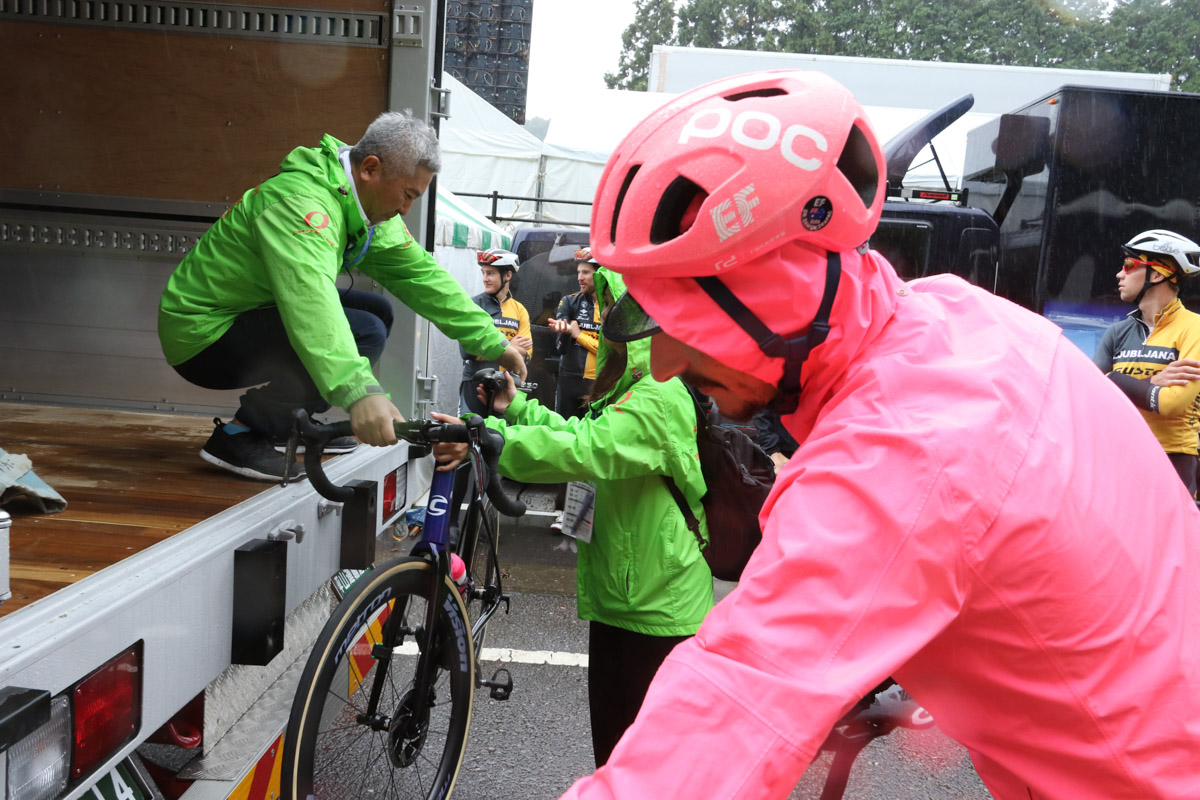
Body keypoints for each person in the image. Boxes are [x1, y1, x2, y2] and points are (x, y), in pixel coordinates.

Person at [562, 70, 1200, 798]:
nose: (667, 361)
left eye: (683, 322)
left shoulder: (901, 449)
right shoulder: (955, 321)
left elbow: (740, 698)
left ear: (777, 299)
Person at [432, 267, 713, 768]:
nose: (606, 326)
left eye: (618, 316)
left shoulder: (660, 396)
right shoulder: (631, 391)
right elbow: (573, 434)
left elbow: (584, 451)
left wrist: (490, 436)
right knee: (614, 756)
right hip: (627, 595)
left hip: (658, 608)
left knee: (646, 765)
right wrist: (514, 409)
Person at [157, 110, 527, 481]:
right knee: (365, 330)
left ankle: (291, 423)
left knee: (378, 312)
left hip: (246, 313)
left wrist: (492, 341)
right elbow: (311, 303)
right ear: (369, 168)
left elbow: (423, 279)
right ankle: (241, 433)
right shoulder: (302, 203)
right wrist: (360, 393)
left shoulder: (357, 202)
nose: (405, 210)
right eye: (407, 194)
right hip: (202, 336)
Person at [1092, 229, 1200, 495]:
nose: (1120, 274)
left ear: (1157, 274)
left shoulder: (1194, 328)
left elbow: (1171, 403)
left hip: (1173, 459)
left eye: (1129, 265)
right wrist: (1153, 382)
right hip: (1120, 457)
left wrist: (1115, 380)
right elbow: (1090, 398)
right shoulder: (1117, 333)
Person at [459, 248, 532, 416]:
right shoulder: (474, 305)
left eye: (490, 273)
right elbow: (467, 351)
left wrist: (488, 349)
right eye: (483, 273)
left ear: (507, 275)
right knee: (469, 437)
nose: (485, 279)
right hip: (474, 386)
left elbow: (527, 353)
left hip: (505, 386)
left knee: (501, 439)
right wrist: (510, 347)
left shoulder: (519, 310)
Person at [550, 247, 602, 419]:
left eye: (586, 272)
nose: (580, 277)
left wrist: (579, 335)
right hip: (569, 380)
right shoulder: (569, 301)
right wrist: (565, 333)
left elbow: (609, 351)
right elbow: (560, 349)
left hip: (598, 382)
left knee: (594, 436)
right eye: (578, 272)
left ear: (600, 273)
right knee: (565, 434)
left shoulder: (613, 306)